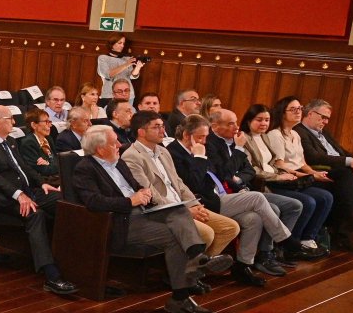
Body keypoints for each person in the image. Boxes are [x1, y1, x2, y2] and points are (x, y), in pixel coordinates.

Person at [73, 126, 229, 313]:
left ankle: (194, 266)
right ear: (99, 149)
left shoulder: (118, 162)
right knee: (175, 235)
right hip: (119, 222)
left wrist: (143, 193)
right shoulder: (85, 168)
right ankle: (186, 286)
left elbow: (135, 186)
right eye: (114, 143)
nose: (120, 145)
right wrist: (130, 201)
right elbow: (93, 202)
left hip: (142, 213)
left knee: (179, 210)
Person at [167, 114, 295, 286]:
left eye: (205, 137)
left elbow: (219, 174)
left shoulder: (201, 147)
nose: (204, 141)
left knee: (253, 219)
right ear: (185, 135)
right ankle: (285, 240)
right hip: (204, 202)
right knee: (257, 198)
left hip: (217, 195)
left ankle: (243, 266)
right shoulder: (174, 153)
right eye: (200, 137)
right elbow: (194, 184)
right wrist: (199, 158)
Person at [0, 106, 76, 295]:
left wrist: (42, 183)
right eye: (9, 118)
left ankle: (74, 261)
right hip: (5, 198)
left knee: (66, 202)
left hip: (32, 191)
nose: (13, 122)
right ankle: (51, 274)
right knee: (36, 214)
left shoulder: (10, 141)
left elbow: (24, 168)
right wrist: (18, 194)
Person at [206, 108, 315, 272]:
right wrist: (238, 151)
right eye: (230, 124)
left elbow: (249, 171)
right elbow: (224, 174)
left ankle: (248, 263)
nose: (236, 127)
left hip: (243, 189)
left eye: (236, 122)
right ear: (215, 126)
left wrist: (239, 178)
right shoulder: (211, 145)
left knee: (294, 205)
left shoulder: (236, 140)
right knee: (267, 208)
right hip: (226, 195)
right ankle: (278, 246)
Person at [122, 111, 239, 260]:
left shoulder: (163, 151)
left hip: (183, 204)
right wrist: (184, 210)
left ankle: (200, 267)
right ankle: (196, 269)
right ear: (141, 132)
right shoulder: (132, 156)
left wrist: (194, 204)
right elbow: (149, 193)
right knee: (206, 233)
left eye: (163, 126)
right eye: (156, 127)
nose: (163, 131)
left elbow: (178, 183)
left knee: (230, 227)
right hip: (163, 211)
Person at [240, 104, 331, 257]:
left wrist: (289, 173)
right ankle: (283, 247)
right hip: (263, 184)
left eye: (267, 120)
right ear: (249, 121)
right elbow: (252, 170)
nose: (263, 123)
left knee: (325, 196)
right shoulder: (245, 139)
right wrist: (279, 176)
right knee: (305, 202)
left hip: (278, 179)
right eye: (259, 120)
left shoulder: (263, 137)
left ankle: (304, 240)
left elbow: (274, 163)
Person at [296, 98, 353, 250]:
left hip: (342, 169)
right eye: (323, 117)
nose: (325, 122)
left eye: (327, 119)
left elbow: (341, 152)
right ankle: (343, 233)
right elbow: (313, 157)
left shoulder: (324, 133)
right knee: (345, 172)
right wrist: (349, 161)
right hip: (324, 171)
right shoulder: (300, 131)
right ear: (310, 113)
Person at [18, 107, 59, 183]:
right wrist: (54, 165)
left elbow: (56, 159)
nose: (50, 125)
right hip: (43, 182)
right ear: (34, 125)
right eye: (46, 122)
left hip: (56, 177)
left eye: (49, 121)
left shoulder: (48, 138)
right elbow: (44, 170)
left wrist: (48, 163)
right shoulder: (28, 143)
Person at [96, 33, 143, 99]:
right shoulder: (103, 58)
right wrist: (126, 64)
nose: (122, 46)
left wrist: (138, 67)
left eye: (123, 43)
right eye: (119, 43)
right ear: (112, 44)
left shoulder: (126, 58)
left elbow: (132, 76)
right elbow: (108, 75)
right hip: (110, 95)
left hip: (128, 95)